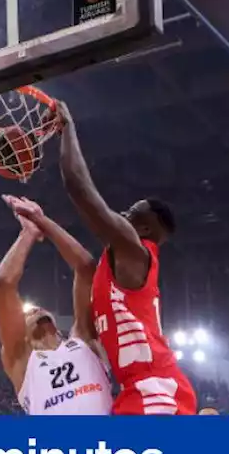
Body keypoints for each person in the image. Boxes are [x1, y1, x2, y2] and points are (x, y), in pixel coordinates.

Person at [30, 101, 196, 415]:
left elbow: (78, 186)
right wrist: (41, 221)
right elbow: (83, 265)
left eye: (130, 213)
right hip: (136, 389)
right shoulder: (114, 266)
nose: (121, 214)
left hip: (154, 389)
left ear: (144, 227)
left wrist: (67, 128)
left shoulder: (136, 249)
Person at [0, 200, 111, 416]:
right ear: (22, 331)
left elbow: (85, 266)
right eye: (27, 312)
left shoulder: (84, 339)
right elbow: (3, 283)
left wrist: (41, 220)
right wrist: (28, 234)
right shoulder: (22, 360)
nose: (36, 310)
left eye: (38, 307)